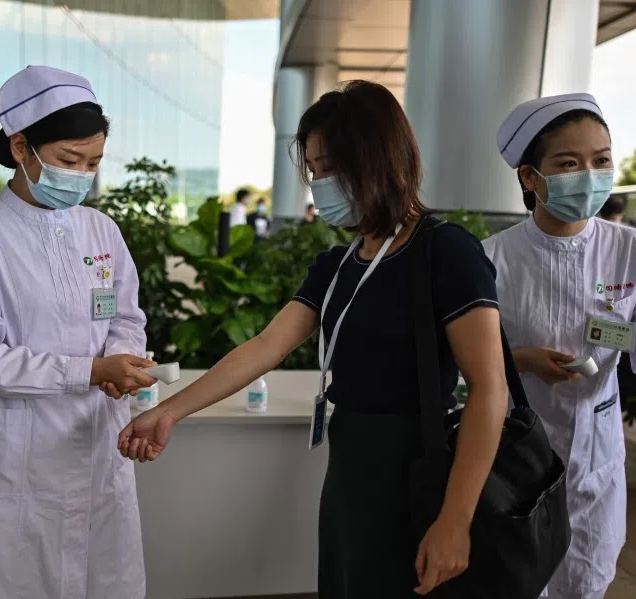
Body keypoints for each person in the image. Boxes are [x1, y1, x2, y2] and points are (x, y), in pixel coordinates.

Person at [116, 80, 510, 597]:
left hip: (419, 469)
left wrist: (455, 520)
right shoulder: (338, 263)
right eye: (315, 171)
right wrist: (169, 411)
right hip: (350, 467)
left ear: (379, 157)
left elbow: (489, 389)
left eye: (331, 167)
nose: (320, 184)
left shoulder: (446, 251)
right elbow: (265, 347)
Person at [0, 65, 158, 599]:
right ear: (21, 146)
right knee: (9, 575)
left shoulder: (101, 230)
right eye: (68, 160)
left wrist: (121, 361)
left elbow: (125, 316)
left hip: (96, 436)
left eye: (93, 163)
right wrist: (90, 370)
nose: (82, 175)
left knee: (99, 574)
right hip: (13, 446)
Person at [483, 93, 636, 599]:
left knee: (585, 580)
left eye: (601, 160)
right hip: (513, 453)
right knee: (516, 579)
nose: (589, 174)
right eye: (569, 163)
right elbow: (461, 358)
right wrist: (518, 360)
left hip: (595, 457)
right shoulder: (493, 261)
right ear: (530, 177)